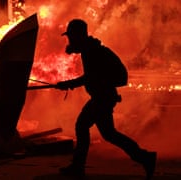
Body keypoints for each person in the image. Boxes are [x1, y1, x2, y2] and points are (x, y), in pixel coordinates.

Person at [55, 19, 157, 179]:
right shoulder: (89, 50)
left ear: (79, 35)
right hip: (102, 97)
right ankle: (145, 157)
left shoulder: (92, 52)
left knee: (82, 126)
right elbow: (91, 78)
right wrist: (70, 84)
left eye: (71, 36)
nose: (69, 40)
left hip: (102, 98)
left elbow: (89, 77)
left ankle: (78, 167)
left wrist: (68, 84)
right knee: (109, 134)